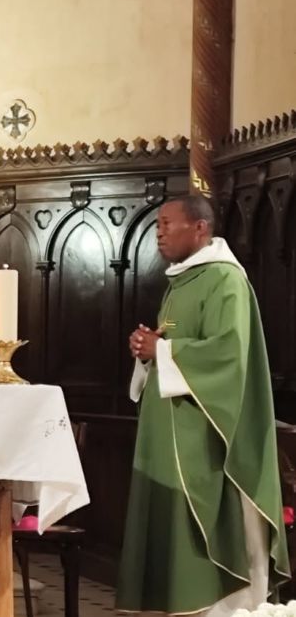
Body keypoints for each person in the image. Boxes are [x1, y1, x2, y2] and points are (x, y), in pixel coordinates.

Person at [117, 195, 290, 613]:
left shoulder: (225, 280)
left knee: (206, 530)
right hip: (173, 434)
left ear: (200, 228)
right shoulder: (183, 281)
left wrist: (164, 350)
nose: (158, 232)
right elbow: (171, 344)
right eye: (156, 225)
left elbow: (229, 354)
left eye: (166, 224)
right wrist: (148, 351)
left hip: (209, 439)